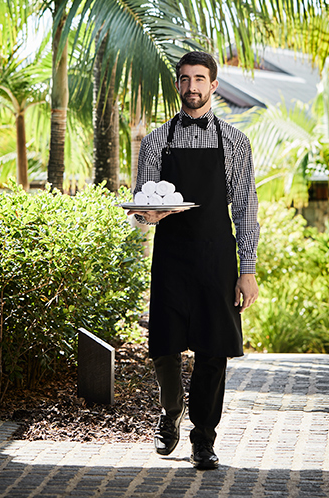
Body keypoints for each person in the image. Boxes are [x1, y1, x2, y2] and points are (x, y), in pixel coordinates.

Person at [129, 50, 260, 470]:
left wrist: (248, 271)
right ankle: (171, 409)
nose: (192, 87)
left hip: (216, 257)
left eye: (200, 79)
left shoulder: (235, 143)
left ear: (214, 85)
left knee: (212, 350)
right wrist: (147, 215)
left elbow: (244, 208)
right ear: (178, 85)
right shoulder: (156, 141)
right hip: (171, 256)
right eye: (185, 79)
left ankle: (203, 437)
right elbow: (143, 209)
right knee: (163, 346)